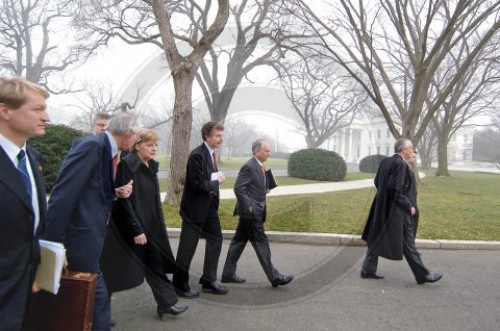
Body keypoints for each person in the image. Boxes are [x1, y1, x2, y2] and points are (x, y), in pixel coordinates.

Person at [45, 112, 136, 331]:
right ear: (128, 134)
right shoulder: (92, 146)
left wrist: (114, 192)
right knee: (98, 301)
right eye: (136, 137)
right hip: (79, 240)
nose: (136, 142)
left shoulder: (108, 150)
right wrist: (52, 246)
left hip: (90, 240)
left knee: (93, 302)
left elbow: (90, 190)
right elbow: (63, 195)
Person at [109, 128, 187, 318]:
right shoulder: (127, 165)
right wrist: (136, 229)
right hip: (132, 229)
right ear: (137, 146)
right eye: (149, 145)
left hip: (150, 228)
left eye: (156, 145)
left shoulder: (150, 165)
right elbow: (124, 202)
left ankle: (166, 303)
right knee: (114, 269)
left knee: (155, 264)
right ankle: (98, 311)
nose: (154, 149)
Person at [0, 76, 50, 331]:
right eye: (37, 109)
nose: (47, 117)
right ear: (5, 111)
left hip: (26, 293)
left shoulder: (32, 158)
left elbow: (33, 222)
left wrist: (44, 265)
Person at [361, 138, 443, 285]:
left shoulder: (386, 161)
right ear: (403, 150)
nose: (413, 150)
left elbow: (377, 181)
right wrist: (408, 206)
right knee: (408, 243)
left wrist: (384, 197)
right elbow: (396, 188)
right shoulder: (400, 164)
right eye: (411, 148)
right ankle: (422, 275)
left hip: (381, 206)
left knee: (377, 236)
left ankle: (368, 269)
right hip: (396, 211)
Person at [221, 139, 293, 287]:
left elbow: (255, 187)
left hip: (252, 213)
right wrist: (250, 207)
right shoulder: (249, 166)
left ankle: (228, 274)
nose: (269, 153)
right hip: (251, 214)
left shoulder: (261, 166)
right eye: (266, 150)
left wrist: (267, 187)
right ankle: (274, 277)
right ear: (256, 151)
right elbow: (238, 188)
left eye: (269, 150)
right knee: (262, 244)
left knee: (238, 242)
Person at [173, 121, 228, 298]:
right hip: (194, 210)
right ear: (207, 136)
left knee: (216, 240)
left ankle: (209, 279)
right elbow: (196, 184)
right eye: (217, 135)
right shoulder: (197, 155)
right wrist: (216, 182)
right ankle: (179, 285)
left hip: (209, 208)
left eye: (221, 135)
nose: (221, 139)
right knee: (187, 247)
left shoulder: (211, 154)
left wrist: (214, 181)